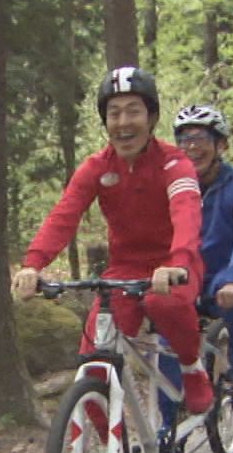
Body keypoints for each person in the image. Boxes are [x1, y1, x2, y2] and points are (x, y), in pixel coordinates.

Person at [11, 66, 214, 418]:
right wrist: (33, 263)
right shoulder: (96, 167)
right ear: (105, 121)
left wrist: (178, 262)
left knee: (163, 303)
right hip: (124, 270)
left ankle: (191, 368)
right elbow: (64, 215)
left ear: (151, 118)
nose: (123, 122)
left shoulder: (174, 164)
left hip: (174, 265)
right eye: (114, 113)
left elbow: (187, 213)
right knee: (92, 361)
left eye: (133, 111)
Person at [171, 104, 233, 385]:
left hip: (221, 273)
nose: (191, 147)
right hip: (182, 274)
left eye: (200, 138)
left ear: (220, 144)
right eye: (184, 139)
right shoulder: (173, 185)